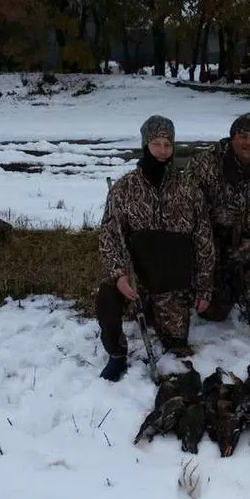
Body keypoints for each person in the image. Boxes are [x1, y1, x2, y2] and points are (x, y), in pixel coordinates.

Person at [97, 115, 214, 382]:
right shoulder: (124, 188)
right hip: (136, 277)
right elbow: (109, 236)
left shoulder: (189, 189)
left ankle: (157, 311)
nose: (162, 151)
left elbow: (204, 241)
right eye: (156, 143)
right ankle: (116, 354)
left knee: (176, 344)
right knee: (106, 298)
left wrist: (204, 287)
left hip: (172, 280)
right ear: (145, 145)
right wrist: (119, 275)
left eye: (167, 144)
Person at [185, 113, 250, 338]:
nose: (249, 143)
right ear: (232, 137)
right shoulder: (206, 164)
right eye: (243, 136)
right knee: (215, 312)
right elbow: (189, 207)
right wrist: (211, 241)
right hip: (215, 241)